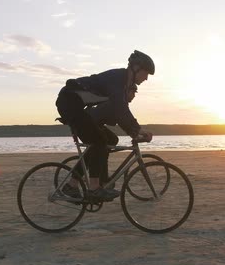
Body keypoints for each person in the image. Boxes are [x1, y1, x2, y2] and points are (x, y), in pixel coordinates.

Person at [55, 50, 154, 201]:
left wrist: (134, 132)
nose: (146, 78)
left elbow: (120, 112)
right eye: (146, 73)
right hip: (69, 102)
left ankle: (78, 184)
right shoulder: (118, 79)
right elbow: (120, 109)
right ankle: (93, 188)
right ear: (135, 68)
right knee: (99, 141)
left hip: (76, 106)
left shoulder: (123, 84)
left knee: (109, 140)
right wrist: (137, 130)